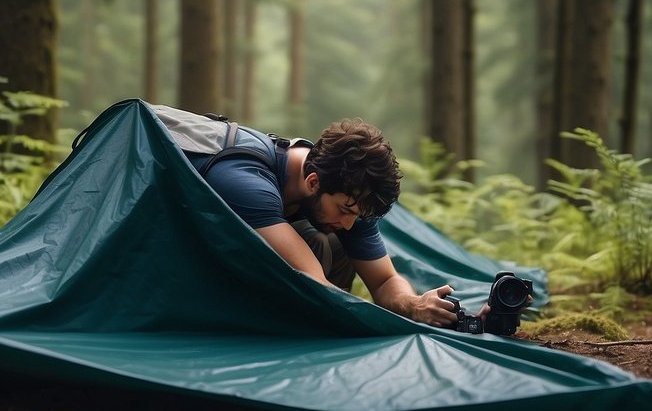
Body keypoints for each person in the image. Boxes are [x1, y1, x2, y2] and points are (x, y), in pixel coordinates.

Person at [197, 116, 463, 328]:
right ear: (313, 182)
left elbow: (384, 281)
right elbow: (317, 285)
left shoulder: (351, 194)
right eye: (345, 210)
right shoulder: (247, 182)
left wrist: (415, 305)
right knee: (321, 244)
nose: (349, 224)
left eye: (357, 214)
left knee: (334, 241)